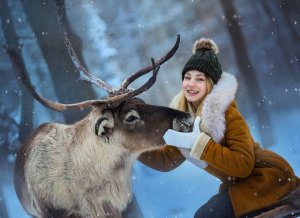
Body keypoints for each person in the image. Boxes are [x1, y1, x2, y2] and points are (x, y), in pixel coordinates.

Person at [138, 37, 300, 218]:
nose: (191, 84)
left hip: (266, 177)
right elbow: (166, 160)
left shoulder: (228, 115)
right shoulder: (186, 119)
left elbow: (243, 166)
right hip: (239, 183)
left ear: (211, 84)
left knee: (206, 216)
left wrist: (201, 144)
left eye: (199, 79)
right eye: (187, 77)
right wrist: (132, 145)